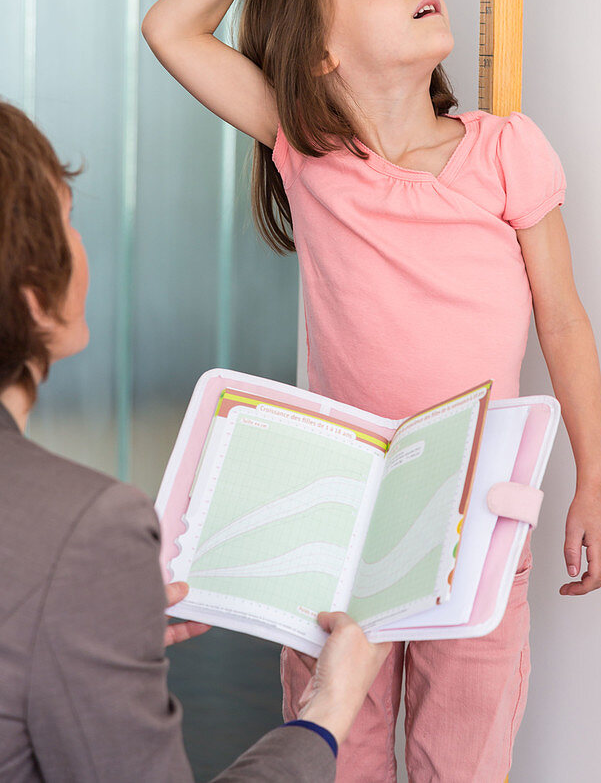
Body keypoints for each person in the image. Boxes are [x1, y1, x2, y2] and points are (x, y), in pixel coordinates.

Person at [141, 0, 601, 782]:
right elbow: (172, 29)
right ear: (320, 52)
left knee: (463, 755)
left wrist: (593, 481)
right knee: (335, 745)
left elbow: (561, 320)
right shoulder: (308, 151)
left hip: (478, 509)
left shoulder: (505, 154)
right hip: (341, 508)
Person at [0, 100, 390, 782]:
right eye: (68, 219)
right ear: (33, 296)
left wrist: (85, 624)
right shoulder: (85, 529)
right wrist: (326, 713)